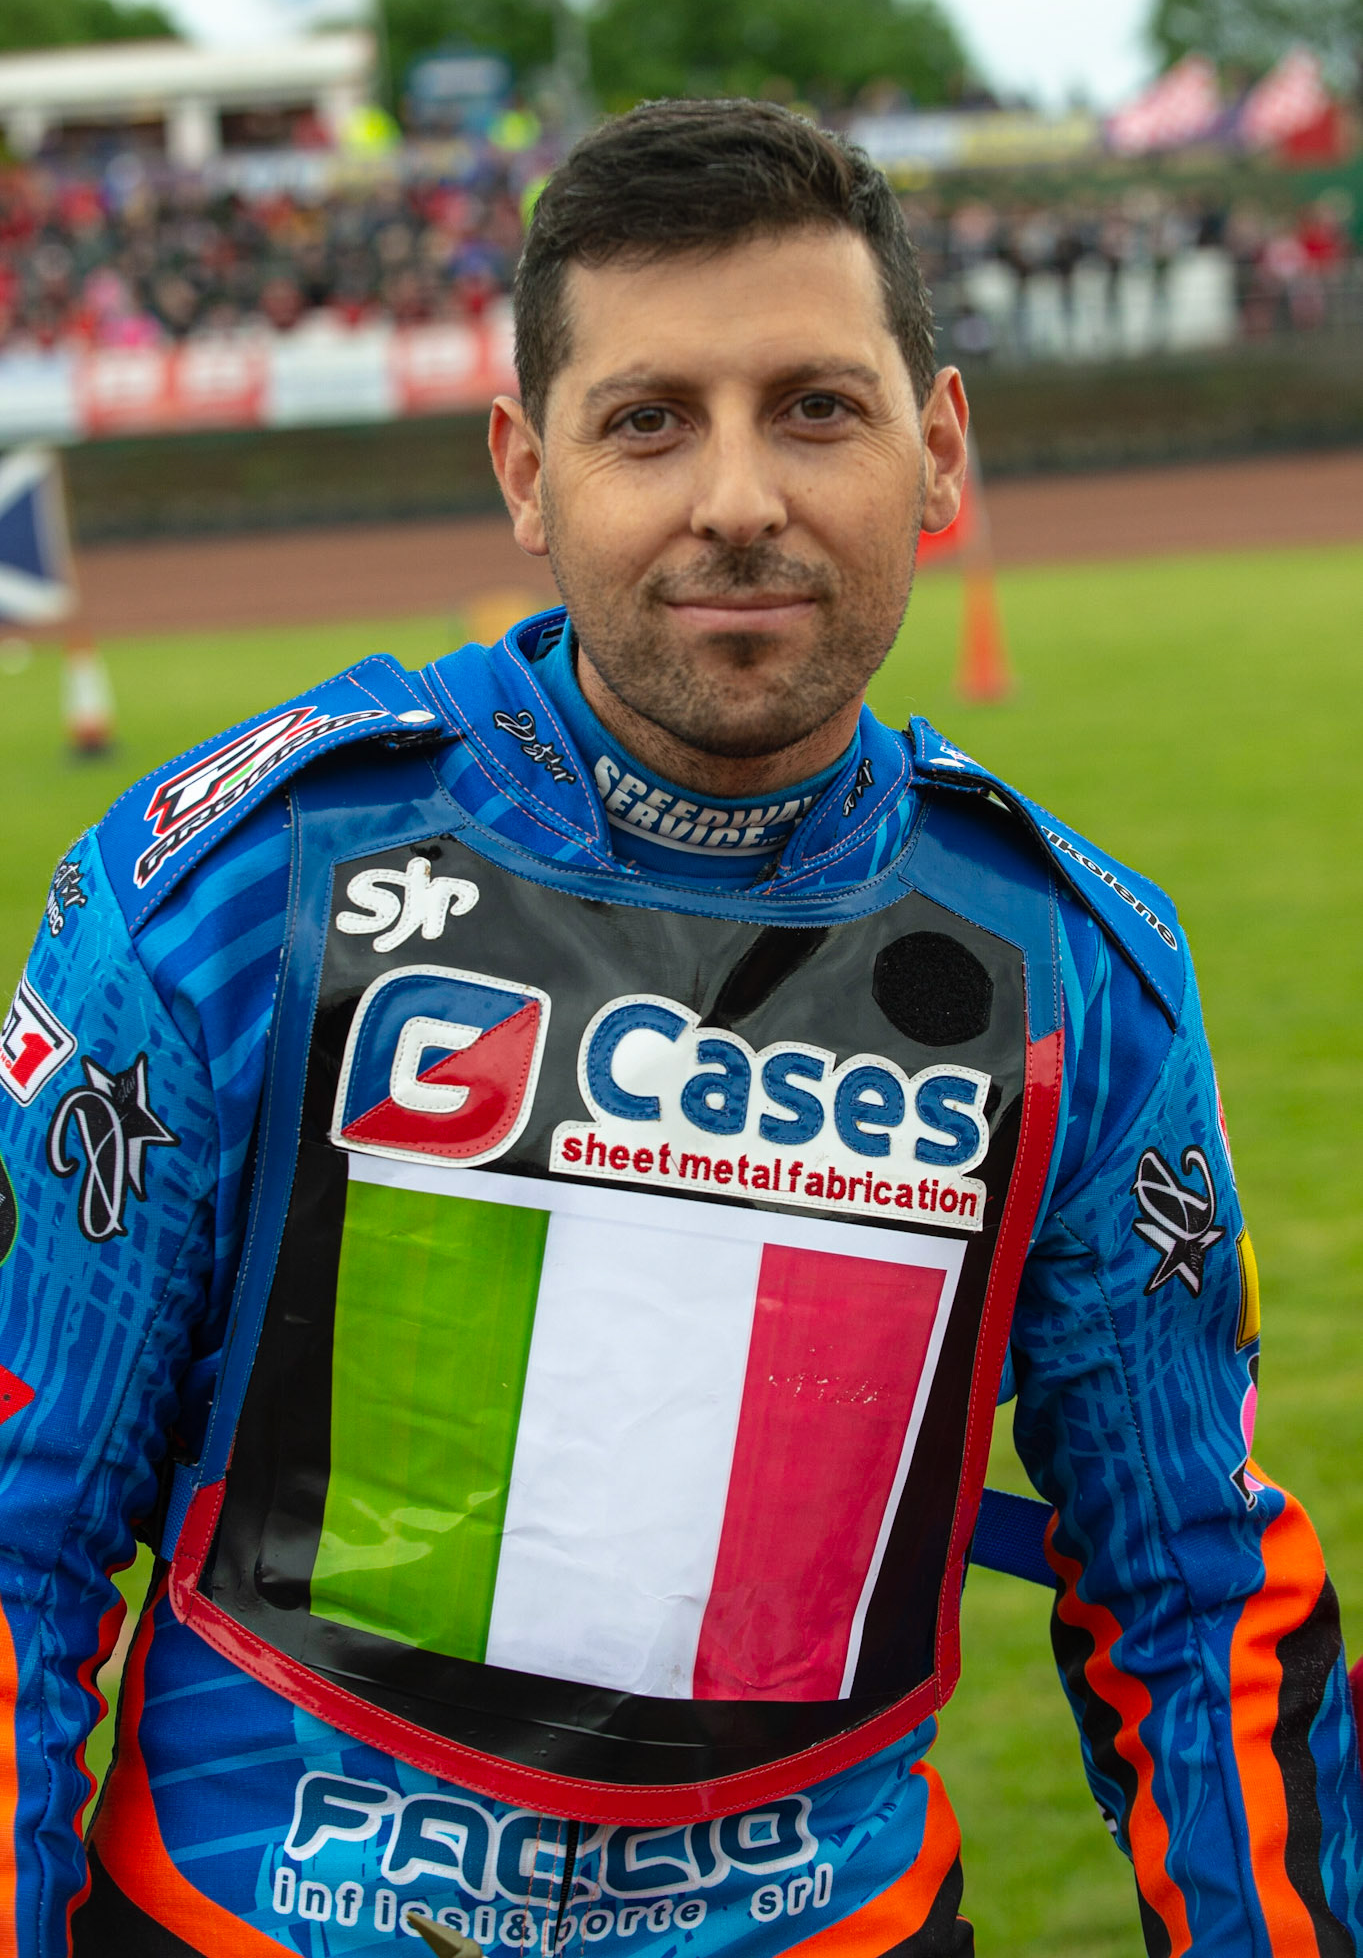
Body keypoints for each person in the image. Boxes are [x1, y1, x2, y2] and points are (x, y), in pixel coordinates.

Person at [0, 100, 1357, 1958]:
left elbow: (1197, 1586)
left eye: (817, 407)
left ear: (938, 451)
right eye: (648, 420)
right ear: (525, 475)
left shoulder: (1076, 964)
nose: (738, 497)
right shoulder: (233, 887)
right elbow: (19, 1528)